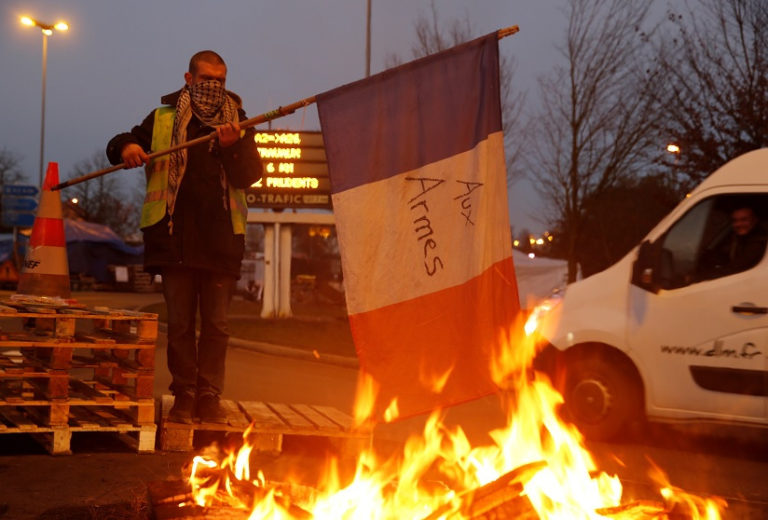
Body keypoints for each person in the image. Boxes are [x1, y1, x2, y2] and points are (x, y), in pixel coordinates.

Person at [106, 51, 262, 424]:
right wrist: (127, 149)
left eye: (220, 80)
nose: (214, 86)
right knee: (178, 326)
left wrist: (231, 147)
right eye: (206, 78)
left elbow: (250, 175)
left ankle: (209, 394)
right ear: (189, 79)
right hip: (174, 239)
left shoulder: (239, 122)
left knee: (217, 326)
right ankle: (185, 394)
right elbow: (122, 141)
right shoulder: (162, 118)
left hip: (222, 241)